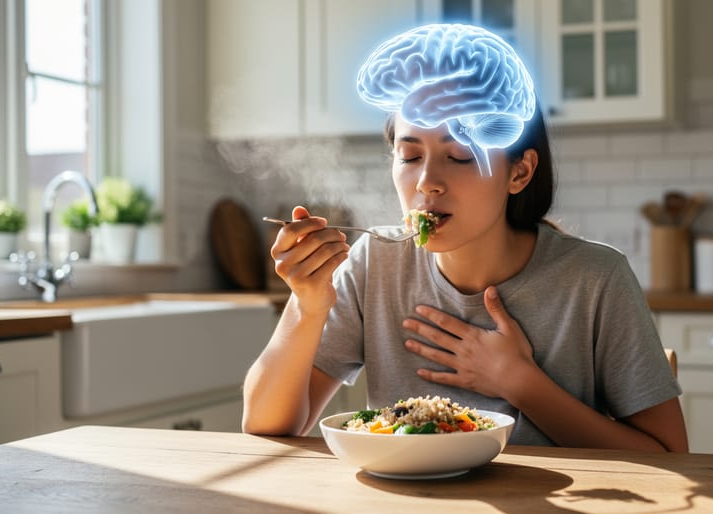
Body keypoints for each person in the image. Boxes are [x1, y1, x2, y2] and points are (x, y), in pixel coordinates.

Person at [242, 23, 688, 451]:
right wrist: (307, 304)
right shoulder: (374, 261)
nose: (427, 182)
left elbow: (668, 456)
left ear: (520, 171)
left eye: (459, 156)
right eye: (410, 156)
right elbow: (266, 425)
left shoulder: (595, 279)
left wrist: (521, 383)